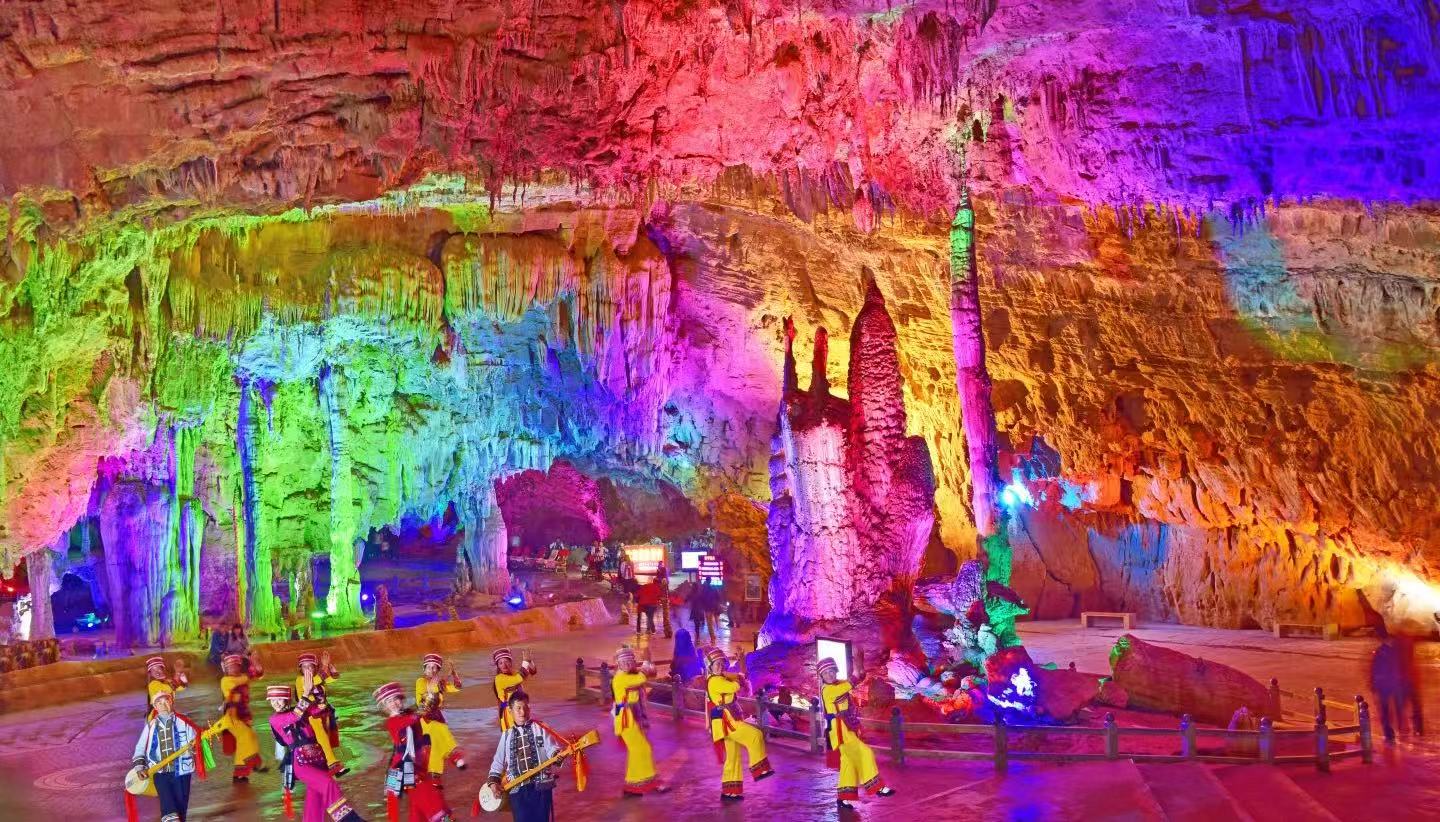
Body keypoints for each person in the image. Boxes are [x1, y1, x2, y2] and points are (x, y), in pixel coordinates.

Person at [268, 685, 364, 822]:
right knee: (328, 784)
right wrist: (306, 693)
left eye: (279, 699)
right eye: (272, 701)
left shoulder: (302, 710)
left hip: (319, 759)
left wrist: (317, 691)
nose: (275, 703)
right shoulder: (275, 719)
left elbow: (321, 709)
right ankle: (349, 820)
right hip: (301, 763)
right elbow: (294, 716)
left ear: (287, 700)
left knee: (315, 801)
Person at [817, 657, 895, 808]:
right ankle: (877, 787)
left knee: (849, 763)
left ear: (836, 671)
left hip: (846, 727)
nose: (829, 675)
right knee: (865, 752)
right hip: (840, 729)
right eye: (825, 673)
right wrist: (856, 671)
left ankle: (843, 797)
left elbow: (854, 681)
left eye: (831, 671)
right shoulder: (828, 690)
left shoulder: (838, 684)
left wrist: (859, 670)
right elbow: (849, 684)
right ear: (822, 676)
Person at [485, 691, 572, 822]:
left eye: (525, 707)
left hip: (541, 787)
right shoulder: (506, 735)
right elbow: (497, 762)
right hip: (517, 790)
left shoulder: (540, 728)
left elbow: (551, 748)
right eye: (518, 708)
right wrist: (493, 783)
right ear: (510, 711)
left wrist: (556, 755)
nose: (522, 712)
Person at [373, 681, 452, 822]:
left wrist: (432, 694)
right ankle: (441, 818)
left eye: (396, 699)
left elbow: (424, 714)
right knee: (424, 794)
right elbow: (409, 721)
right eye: (389, 701)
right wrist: (421, 711)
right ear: (385, 707)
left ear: (401, 699)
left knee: (417, 801)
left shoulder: (408, 714)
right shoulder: (392, 722)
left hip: (415, 762)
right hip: (405, 766)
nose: (394, 703)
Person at [703, 646, 773, 801]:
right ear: (710, 666)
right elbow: (735, 685)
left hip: (727, 721)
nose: (720, 667)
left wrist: (741, 661)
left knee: (733, 757)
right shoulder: (715, 681)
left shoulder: (721, 677)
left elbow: (741, 676)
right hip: (727, 722)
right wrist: (737, 678)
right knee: (755, 735)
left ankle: (730, 791)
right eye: (717, 664)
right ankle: (759, 769)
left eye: (722, 663)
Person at [128, 689, 208, 822]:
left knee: (181, 808)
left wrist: (196, 745)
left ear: (171, 702)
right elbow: (140, 748)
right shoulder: (151, 726)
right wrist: (140, 767)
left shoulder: (184, 722)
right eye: (159, 703)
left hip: (181, 772)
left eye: (166, 701)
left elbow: (197, 743)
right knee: (168, 806)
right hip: (160, 773)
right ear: (155, 707)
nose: (163, 705)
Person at [611, 645, 667, 796]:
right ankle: (648, 783)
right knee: (642, 749)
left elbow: (650, 674)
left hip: (633, 717)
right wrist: (646, 662)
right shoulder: (620, 678)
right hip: (626, 719)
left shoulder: (629, 674)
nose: (627, 664)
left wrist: (648, 662)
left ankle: (633, 785)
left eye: (630, 662)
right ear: (619, 664)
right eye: (624, 662)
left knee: (637, 750)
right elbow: (640, 678)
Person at [415, 653, 467, 778]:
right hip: (426, 718)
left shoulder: (440, 683)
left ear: (438, 670)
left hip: (438, 717)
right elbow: (428, 693)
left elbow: (457, 687)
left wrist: (454, 673)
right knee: (436, 743)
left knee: (440, 743)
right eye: (429, 667)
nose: (432, 670)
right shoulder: (421, 681)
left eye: (435, 668)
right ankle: (450, 760)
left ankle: (437, 772)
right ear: (424, 669)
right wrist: (443, 679)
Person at [294, 651, 346, 776]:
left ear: (315, 667)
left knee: (326, 738)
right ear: (300, 669)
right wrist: (324, 666)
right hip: (310, 715)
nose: (307, 669)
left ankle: (324, 764)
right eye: (304, 666)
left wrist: (331, 669)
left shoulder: (317, 678)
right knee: (322, 738)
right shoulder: (301, 680)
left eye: (310, 666)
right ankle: (332, 764)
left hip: (323, 713)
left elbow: (332, 678)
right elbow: (318, 679)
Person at [216, 652, 266, 781]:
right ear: (226, 669)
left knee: (250, 738)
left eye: (236, 666)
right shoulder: (226, 680)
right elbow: (242, 680)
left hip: (244, 716)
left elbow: (259, 674)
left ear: (239, 667)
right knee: (246, 737)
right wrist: (250, 672)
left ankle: (241, 772)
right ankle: (252, 764)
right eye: (230, 667)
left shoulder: (243, 677)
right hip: (232, 717)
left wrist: (256, 663)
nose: (233, 669)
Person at [492, 648, 536, 730]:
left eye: (506, 661)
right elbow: (519, 678)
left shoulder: (514, 674)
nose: (504, 665)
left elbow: (532, 671)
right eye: (500, 663)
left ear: (511, 662)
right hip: (509, 712)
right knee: (513, 733)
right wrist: (525, 661)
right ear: (498, 666)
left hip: (519, 708)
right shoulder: (499, 679)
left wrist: (530, 660)